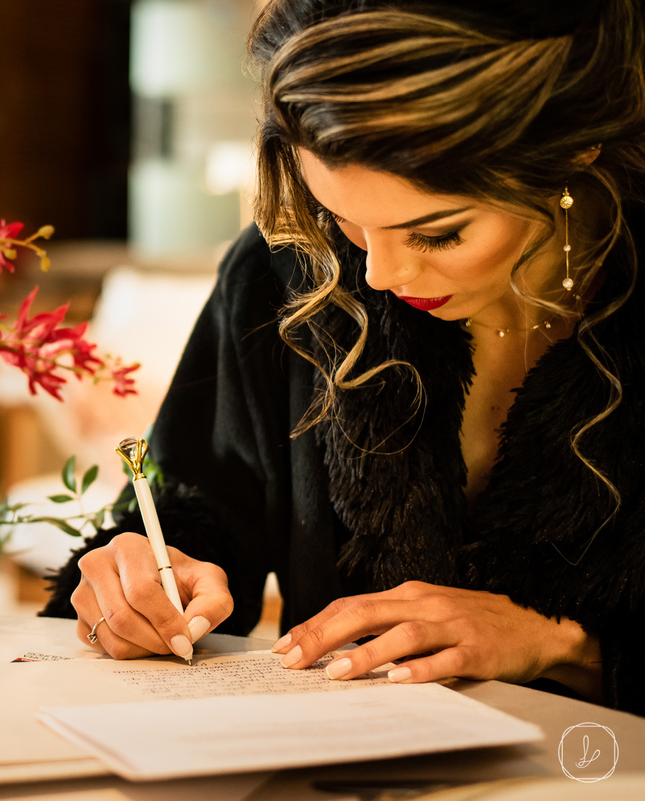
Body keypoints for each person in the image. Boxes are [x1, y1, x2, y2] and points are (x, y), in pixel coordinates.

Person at [42, 0, 645, 715]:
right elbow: (196, 509)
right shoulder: (289, 275)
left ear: (573, 149)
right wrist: (144, 577)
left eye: (438, 233)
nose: (380, 274)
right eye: (343, 217)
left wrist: (567, 646)